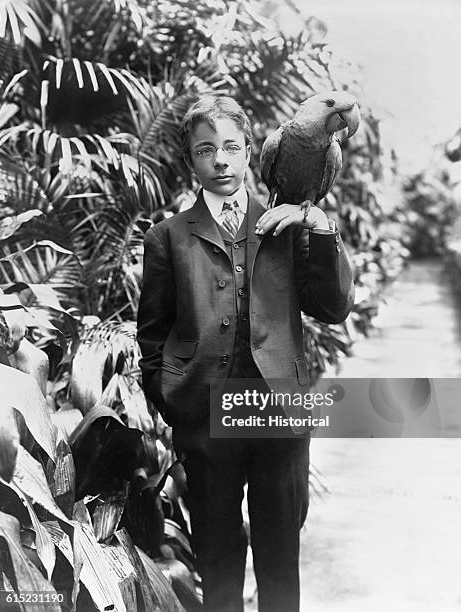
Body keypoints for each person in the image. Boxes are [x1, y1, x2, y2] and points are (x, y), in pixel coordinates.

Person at [137, 95, 354, 612]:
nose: (221, 160)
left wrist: (321, 229)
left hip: (280, 414)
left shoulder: (289, 223)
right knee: (217, 558)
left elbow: (334, 306)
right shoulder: (168, 237)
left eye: (232, 147)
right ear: (191, 160)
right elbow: (152, 334)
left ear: (251, 152)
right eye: (206, 149)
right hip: (206, 418)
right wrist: (174, 403)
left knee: (280, 559)